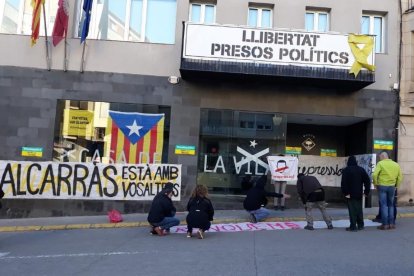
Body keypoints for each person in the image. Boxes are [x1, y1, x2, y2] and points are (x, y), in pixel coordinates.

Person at [372, 151, 403, 230]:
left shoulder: (380, 163)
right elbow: (400, 177)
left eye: (380, 157)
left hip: (382, 186)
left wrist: (375, 183)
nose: (379, 158)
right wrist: (396, 185)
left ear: (382, 156)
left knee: (384, 205)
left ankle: (385, 224)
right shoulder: (396, 164)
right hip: (392, 186)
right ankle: (391, 224)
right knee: (391, 205)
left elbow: (375, 174)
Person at [341, 156, 371, 232]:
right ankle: (361, 225)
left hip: (350, 194)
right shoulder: (361, 169)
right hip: (359, 194)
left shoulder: (346, 170)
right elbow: (367, 181)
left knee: (352, 211)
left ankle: (353, 227)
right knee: (359, 209)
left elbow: (343, 183)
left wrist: (346, 193)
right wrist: (366, 192)